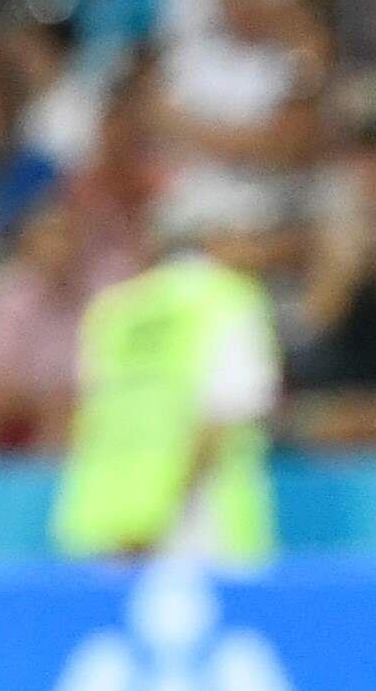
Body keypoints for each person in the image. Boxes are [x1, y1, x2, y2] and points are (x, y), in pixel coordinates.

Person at [50, 198, 285, 567]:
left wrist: (130, 526)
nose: (262, 252)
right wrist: (159, 523)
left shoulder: (114, 310)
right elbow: (220, 421)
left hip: (107, 530)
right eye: (251, 238)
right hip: (201, 533)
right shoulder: (230, 300)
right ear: (216, 238)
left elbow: (85, 421)